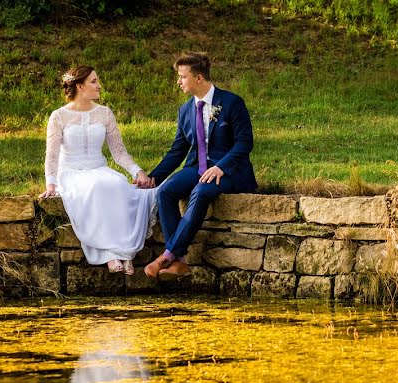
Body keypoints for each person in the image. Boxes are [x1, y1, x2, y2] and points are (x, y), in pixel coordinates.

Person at [143, 51, 258, 280]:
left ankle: (168, 256)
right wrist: (153, 177)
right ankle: (181, 262)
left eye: (182, 77)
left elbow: (245, 143)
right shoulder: (185, 111)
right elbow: (178, 150)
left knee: (202, 190)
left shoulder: (232, 102)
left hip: (229, 170)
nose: (178, 82)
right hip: (197, 167)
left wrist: (221, 167)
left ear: (198, 78)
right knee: (165, 191)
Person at [40, 65, 158, 276]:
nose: (99, 85)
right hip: (72, 172)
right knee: (95, 187)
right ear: (79, 86)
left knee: (116, 184)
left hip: (99, 168)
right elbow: (52, 154)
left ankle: (125, 252)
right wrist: (51, 183)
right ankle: (109, 255)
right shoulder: (58, 116)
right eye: (93, 81)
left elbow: (119, 152)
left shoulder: (105, 113)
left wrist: (137, 172)